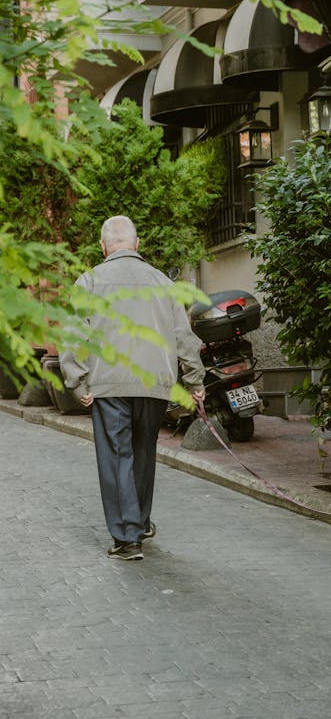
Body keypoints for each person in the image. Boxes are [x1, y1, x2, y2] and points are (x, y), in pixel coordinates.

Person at [60, 215, 205, 561]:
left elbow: (73, 335)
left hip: (108, 384)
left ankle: (128, 538)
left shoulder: (89, 281)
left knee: (117, 456)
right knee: (143, 453)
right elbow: (183, 336)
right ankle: (138, 522)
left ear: (103, 246)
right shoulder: (162, 283)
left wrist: (76, 381)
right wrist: (195, 380)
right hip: (154, 384)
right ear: (137, 244)